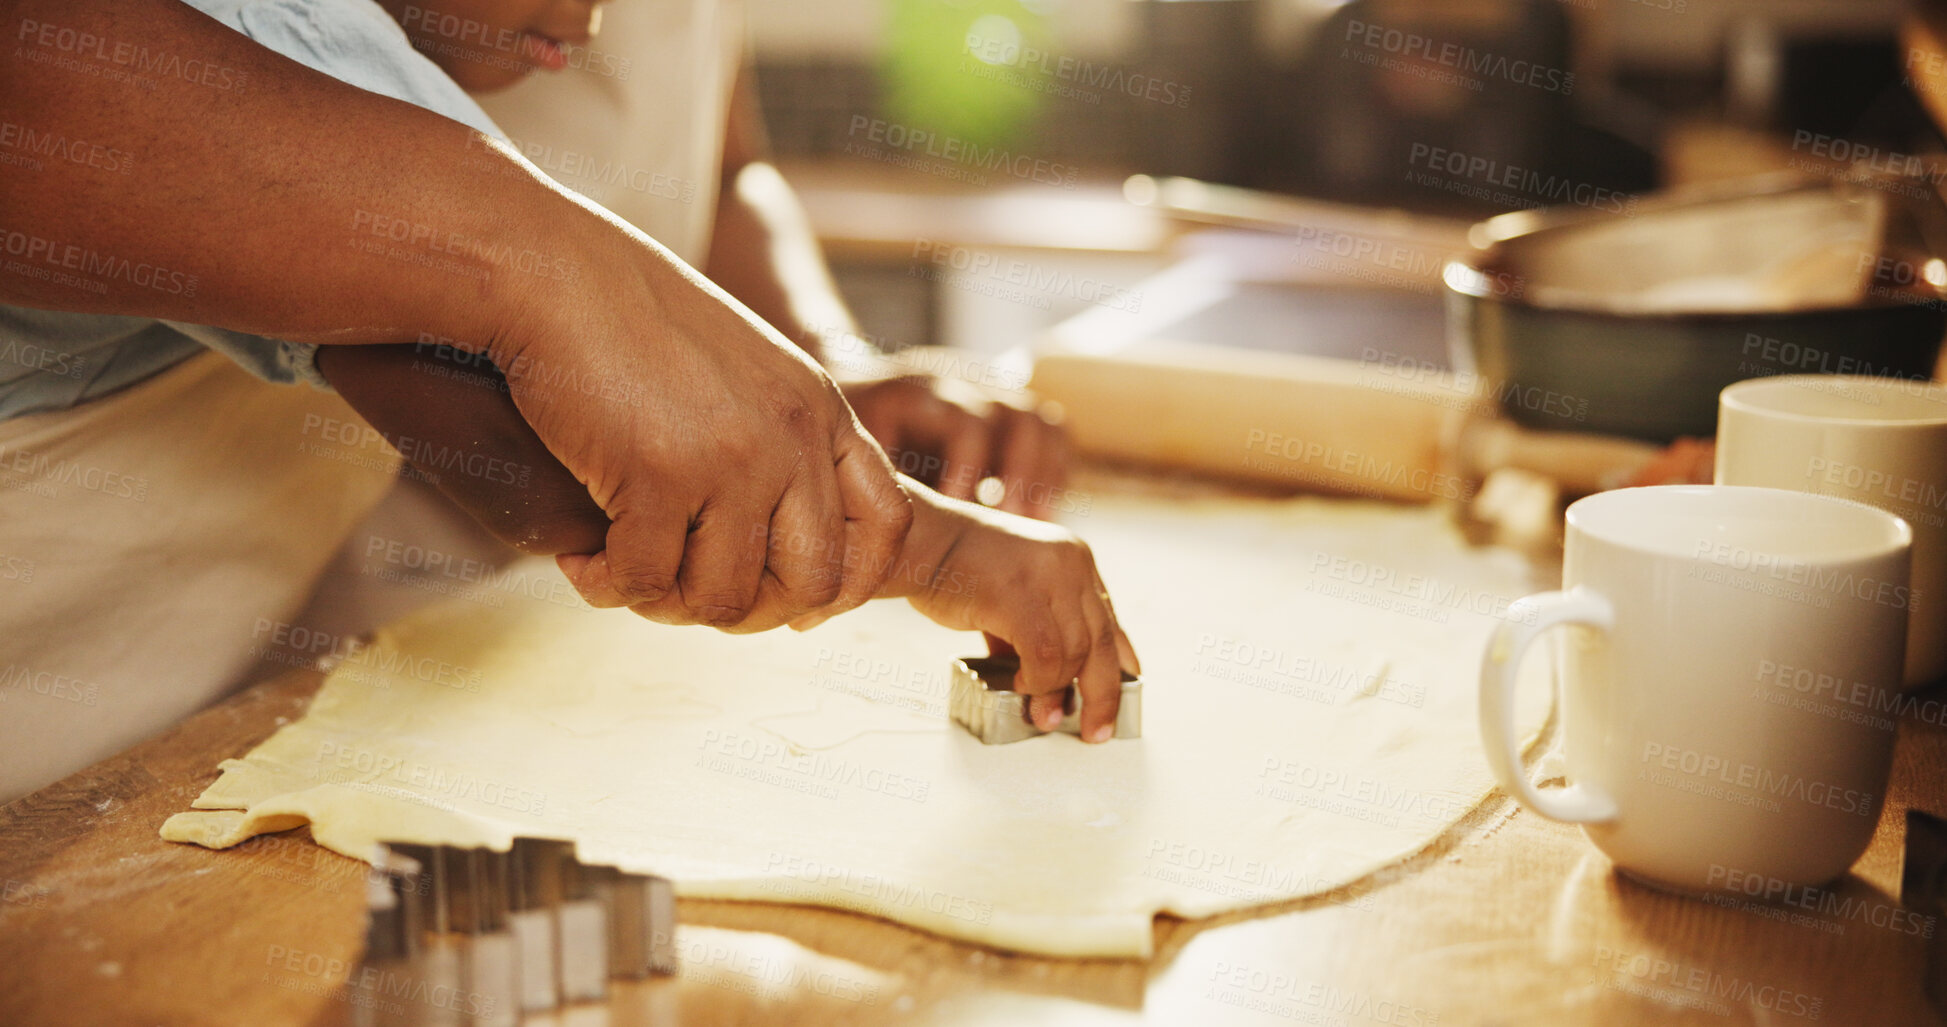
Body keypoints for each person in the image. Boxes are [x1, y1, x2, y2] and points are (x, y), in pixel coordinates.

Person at [0, 0, 1134, 802]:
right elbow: (540, 468)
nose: (597, 18)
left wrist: (818, 383)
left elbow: (724, 166)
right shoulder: (288, 55)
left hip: (175, 730)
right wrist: (938, 556)